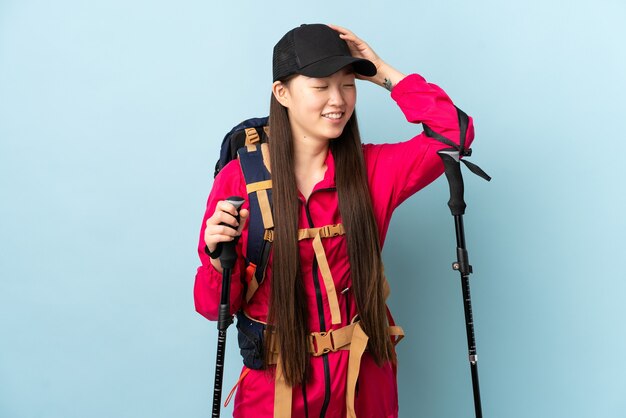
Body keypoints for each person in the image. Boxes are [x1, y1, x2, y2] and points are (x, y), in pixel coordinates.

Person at [194, 23, 474, 418]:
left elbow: (454, 134)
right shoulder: (238, 180)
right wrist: (214, 255)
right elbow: (212, 307)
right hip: (273, 388)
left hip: (363, 383)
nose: (338, 99)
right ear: (282, 93)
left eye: (347, 84)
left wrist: (382, 72)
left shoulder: (374, 170)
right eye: (321, 85)